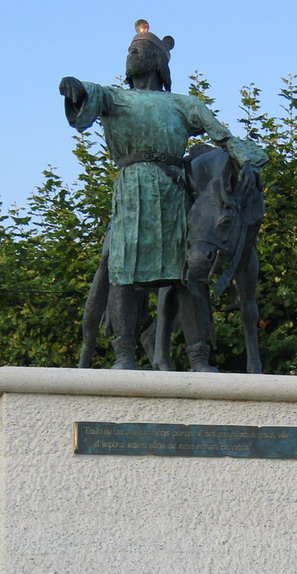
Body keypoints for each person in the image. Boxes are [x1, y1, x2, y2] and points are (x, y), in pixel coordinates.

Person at [60, 19, 256, 369]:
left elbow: (223, 136)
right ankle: (124, 354)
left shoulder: (183, 104)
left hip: (174, 192)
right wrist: (75, 88)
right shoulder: (113, 96)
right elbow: (89, 96)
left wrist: (247, 162)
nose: (133, 54)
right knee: (125, 271)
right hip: (133, 190)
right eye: (130, 50)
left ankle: (199, 356)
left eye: (141, 50)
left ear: (158, 61)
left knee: (189, 273)